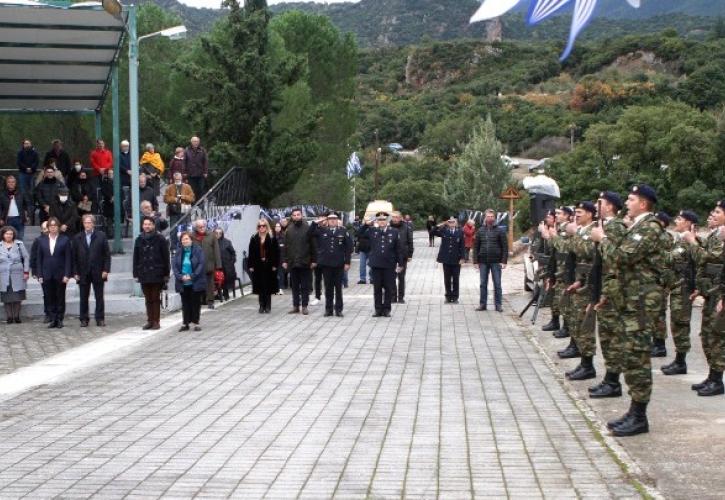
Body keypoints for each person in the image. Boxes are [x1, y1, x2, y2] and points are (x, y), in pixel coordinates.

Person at [591, 184, 665, 436]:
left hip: (642, 302)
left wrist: (602, 240)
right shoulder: (636, 226)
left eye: (631, 199)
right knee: (630, 355)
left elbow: (623, 257)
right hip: (630, 300)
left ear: (643, 204)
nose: (627, 203)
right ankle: (634, 411)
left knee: (637, 357)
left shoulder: (650, 227)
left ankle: (640, 416)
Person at [586, 192, 628, 399]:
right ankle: (609, 379)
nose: (596, 206)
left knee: (613, 338)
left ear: (609, 207)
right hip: (603, 288)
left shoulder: (616, 228)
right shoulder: (604, 227)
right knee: (606, 337)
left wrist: (606, 292)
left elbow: (615, 262)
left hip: (612, 291)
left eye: (599, 203)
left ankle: (613, 381)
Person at [685, 199, 725, 397]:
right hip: (710, 292)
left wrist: (693, 243)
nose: (713, 214)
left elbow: (708, 258)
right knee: (708, 336)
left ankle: (717, 379)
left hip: (718, 292)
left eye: (718, 211)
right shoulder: (716, 234)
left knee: (717, 337)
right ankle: (712, 375)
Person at [660, 210, 699, 376]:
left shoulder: (689, 242)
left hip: (683, 289)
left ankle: (681, 362)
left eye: (680, 219)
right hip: (675, 287)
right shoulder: (679, 240)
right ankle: (678, 360)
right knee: (676, 324)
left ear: (689, 223)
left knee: (681, 324)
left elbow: (669, 259)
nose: (676, 221)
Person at [360, 212, 404, 317]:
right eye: (379, 220)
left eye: (383, 219)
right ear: (377, 221)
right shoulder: (372, 231)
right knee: (377, 288)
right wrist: (366, 224)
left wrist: (400, 263)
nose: (382, 222)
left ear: (387, 221)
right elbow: (359, 234)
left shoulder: (394, 231)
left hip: (389, 264)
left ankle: (387, 309)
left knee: (389, 288)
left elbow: (398, 249)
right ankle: (378, 309)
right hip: (376, 264)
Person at [310, 212, 353, 317]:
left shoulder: (343, 231)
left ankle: (338, 309)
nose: (332, 220)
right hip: (326, 264)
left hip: (339, 264)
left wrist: (347, 262)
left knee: (338, 288)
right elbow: (309, 233)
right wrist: (316, 222)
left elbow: (349, 248)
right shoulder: (322, 231)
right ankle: (328, 309)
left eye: (334, 218)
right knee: (328, 288)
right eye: (330, 219)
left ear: (337, 220)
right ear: (327, 220)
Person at [72, 215, 111, 327]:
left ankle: (100, 318)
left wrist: (106, 270)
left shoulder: (101, 236)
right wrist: (75, 272)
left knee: (99, 296)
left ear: (93, 224)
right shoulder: (77, 237)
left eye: (89, 222)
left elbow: (107, 255)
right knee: (83, 297)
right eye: (85, 222)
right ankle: (84, 319)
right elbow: (74, 257)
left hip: (98, 271)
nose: (87, 225)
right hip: (83, 271)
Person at [133, 216, 170, 330]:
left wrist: (166, 274)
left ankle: (156, 321)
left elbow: (166, 257)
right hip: (144, 273)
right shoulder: (139, 239)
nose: (147, 226)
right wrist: (136, 273)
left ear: (153, 225)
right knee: (148, 298)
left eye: (149, 224)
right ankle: (149, 320)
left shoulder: (160, 239)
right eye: (145, 224)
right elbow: (136, 257)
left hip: (157, 273)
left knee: (155, 298)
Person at [36, 217, 73, 328]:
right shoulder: (41, 240)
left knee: (60, 297)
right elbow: (39, 258)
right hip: (46, 273)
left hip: (60, 273)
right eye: (51, 226)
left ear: (58, 227)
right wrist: (39, 274)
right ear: (47, 228)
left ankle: (60, 319)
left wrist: (67, 274)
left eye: (55, 226)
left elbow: (68, 258)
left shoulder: (64, 239)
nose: (53, 228)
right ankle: (52, 318)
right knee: (49, 296)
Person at [281, 208, 315, 315]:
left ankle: (304, 306)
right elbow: (285, 247)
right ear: (292, 216)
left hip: (305, 261)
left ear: (302, 215)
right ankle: (296, 306)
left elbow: (313, 246)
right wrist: (285, 260)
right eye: (294, 215)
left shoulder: (308, 228)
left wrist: (314, 260)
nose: (296, 216)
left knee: (305, 286)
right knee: (294, 286)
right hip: (292, 262)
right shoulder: (289, 230)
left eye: (298, 214)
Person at [473, 209, 508, 312]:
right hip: (483, 261)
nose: (490, 218)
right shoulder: (480, 230)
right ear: (485, 217)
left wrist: (504, 261)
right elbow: (476, 247)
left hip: (496, 261)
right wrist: (475, 261)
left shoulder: (500, 231)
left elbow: (505, 247)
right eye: (488, 217)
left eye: (492, 217)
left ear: (495, 218)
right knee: (483, 284)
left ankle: (498, 305)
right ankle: (482, 304)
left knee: (497, 284)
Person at [173, 232, 206, 331]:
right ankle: (185, 323)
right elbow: (174, 266)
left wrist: (192, 276)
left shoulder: (198, 250)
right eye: (183, 239)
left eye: (187, 239)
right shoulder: (178, 251)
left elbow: (201, 264)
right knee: (185, 303)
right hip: (182, 281)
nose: (185, 241)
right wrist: (180, 276)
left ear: (191, 240)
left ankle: (196, 322)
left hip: (195, 281)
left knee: (195, 302)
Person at [248, 218, 280, 313]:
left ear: (267, 226)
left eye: (263, 226)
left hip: (269, 265)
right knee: (259, 286)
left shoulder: (271, 237)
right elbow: (251, 253)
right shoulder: (254, 238)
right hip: (257, 265)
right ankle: (261, 305)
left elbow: (276, 252)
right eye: (259, 226)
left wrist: (275, 264)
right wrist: (251, 265)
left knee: (268, 285)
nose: (261, 227)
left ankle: (268, 306)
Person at [0, 226, 30, 323]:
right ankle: (9, 317)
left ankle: (16, 316)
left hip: (18, 273)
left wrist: (26, 271)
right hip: (4, 274)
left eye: (11, 234)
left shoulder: (19, 244)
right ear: (3, 235)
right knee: (6, 296)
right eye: (7, 234)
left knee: (18, 295)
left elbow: (26, 257)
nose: (9, 236)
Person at [433, 217, 466, 303]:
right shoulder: (444, 230)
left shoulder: (460, 232)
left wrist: (462, 258)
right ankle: (448, 296)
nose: (451, 223)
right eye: (450, 222)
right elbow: (432, 232)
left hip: (456, 259)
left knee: (456, 279)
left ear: (456, 223)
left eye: (453, 222)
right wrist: (442, 223)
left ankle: (455, 297)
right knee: (447, 279)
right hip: (446, 259)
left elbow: (462, 246)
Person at [193, 219, 221, 309]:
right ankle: (199, 300)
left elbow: (216, 250)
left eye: (203, 226)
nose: (201, 228)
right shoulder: (192, 236)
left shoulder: (211, 236)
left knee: (210, 283)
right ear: (196, 227)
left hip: (209, 263)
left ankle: (210, 301)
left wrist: (218, 265)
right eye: (199, 227)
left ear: (206, 226)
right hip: (197, 265)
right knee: (197, 283)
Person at [164, 172, 195, 248]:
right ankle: (174, 247)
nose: (177, 180)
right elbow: (165, 199)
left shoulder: (187, 186)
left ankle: (186, 245)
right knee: (174, 230)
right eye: (176, 179)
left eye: (179, 178)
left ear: (181, 178)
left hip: (185, 211)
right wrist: (175, 199)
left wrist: (183, 197)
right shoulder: (169, 187)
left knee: (185, 229)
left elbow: (192, 198)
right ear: (173, 179)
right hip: (173, 211)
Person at [390, 211, 413, 303]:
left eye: (397, 217)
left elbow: (410, 241)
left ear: (400, 218)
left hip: (402, 256)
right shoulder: (388, 227)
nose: (395, 219)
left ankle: (401, 297)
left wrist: (410, 255)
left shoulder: (406, 227)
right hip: (391, 256)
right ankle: (393, 296)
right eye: (393, 217)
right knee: (391, 277)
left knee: (401, 277)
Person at [0, 175, 32, 241]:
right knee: (6, 240)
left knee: (19, 239)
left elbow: (28, 204)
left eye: (13, 182)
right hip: (7, 219)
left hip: (19, 219)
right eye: (9, 182)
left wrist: (28, 215)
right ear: (6, 183)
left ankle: (18, 251)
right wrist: (0, 218)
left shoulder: (21, 193)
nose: (11, 183)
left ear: (16, 183)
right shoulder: (2, 194)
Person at [30, 221, 50, 322]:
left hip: (56, 271)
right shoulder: (38, 240)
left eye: (48, 227)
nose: (46, 230)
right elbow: (33, 256)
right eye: (44, 228)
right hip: (43, 271)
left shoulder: (57, 238)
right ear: (42, 229)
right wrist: (34, 271)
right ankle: (48, 313)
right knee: (46, 293)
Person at [215, 227, 238, 301]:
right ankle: (219, 294)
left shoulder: (227, 242)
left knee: (227, 277)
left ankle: (226, 293)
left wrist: (232, 262)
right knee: (218, 278)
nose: (218, 234)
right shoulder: (213, 243)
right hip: (217, 266)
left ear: (222, 234)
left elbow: (233, 253)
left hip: (228, 265)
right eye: (216, 233)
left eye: (220, 233)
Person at [184, 136, 208, 201]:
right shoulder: (187, 150)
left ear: (199, 142)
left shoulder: (202, 150)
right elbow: (184, 162)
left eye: (197, 141)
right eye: (194, 141)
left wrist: (205, 172)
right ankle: (192, 203)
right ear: (191, 142)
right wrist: (184, 172)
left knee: (201, 189)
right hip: (190, 174)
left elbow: (205, 161)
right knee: (191, 189)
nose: (196, 143)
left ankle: (200, 204)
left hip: (200, 173)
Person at [355, 217, 372, 284]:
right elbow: (358, 234)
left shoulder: (373, 227)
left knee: (371, 265)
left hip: (371, 249)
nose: (368, 222)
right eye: (366, 221)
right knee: (362, 265)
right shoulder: (362, 227)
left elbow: (369, 235)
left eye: (368, 220)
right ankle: (362, 279)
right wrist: (365, 225)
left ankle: (372, 278)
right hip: (362, 249)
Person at [273, 222, 287, 292]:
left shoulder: (283, 237)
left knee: (281, 274)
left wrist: (284, 261)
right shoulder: (272, 236)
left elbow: (284, 250)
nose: (277, 227)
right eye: (276, 226)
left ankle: (281, 286)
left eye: (279, 226)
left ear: (280, 228)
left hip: (281, 259)